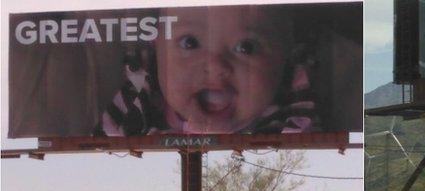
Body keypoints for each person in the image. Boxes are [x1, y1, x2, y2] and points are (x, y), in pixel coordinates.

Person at [96, 5, 317, 136]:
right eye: (190, 43)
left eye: (246, 47)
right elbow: (105, 154)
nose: (215, 66)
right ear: (157, 45)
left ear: (284, 54)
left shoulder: (292, 119)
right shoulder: (137, 98)